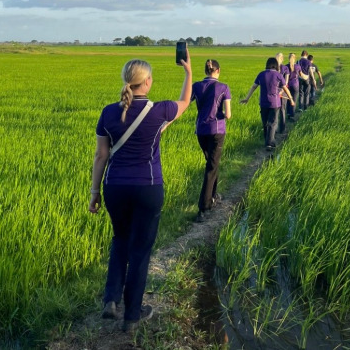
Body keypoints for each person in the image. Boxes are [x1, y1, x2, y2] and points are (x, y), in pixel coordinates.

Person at [89, 53, 192, 332]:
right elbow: (185, 102)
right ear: (147, 82)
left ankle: (111, 299)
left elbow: (101, 155)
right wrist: (188, 72)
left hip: (115, 187)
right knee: (140, 250)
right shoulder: (160, 110)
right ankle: (132, 315)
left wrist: (94, 192)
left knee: (120, 239)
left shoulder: (109, 112)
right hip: (148, 187)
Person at [191, 59, 231, 223]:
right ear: (218, 70)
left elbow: (184, 102)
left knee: (212, 163)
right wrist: (222, 114)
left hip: (201, 130)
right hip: (217, 130)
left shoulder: (196, 86)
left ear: (205, 71)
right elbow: (228, 114)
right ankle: (204, 207)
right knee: (211, 166)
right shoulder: (224, 87)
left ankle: (213, 195)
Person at [240, 57, 295, 150]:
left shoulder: (261, 74)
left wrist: (247, 98)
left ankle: (267, 140)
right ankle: (269, 143)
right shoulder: (278, 75)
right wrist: (291, 99)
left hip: (263, 103)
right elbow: (285, 89)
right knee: (272, 123)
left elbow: (254, 87)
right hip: (275, 103)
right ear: (276, 65)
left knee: (265, 122)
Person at [275, 52, 289, 134]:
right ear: (282, 59)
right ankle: (282, 129)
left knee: (275, 110)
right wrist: (282, 91)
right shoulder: (285, 68)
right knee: (282, 110)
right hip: (283, 91)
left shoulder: (273, 68)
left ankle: (275, 129)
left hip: (274, 92)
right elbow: (286, 82)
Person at [286, 53, 302, 120]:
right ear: (295, 58)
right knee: (294, 100)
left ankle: (288, 113)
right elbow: (301, 75)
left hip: (287, 85)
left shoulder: (286, 66)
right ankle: (292, 115)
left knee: (288, 99)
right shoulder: (298, 66)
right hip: (295, 85)